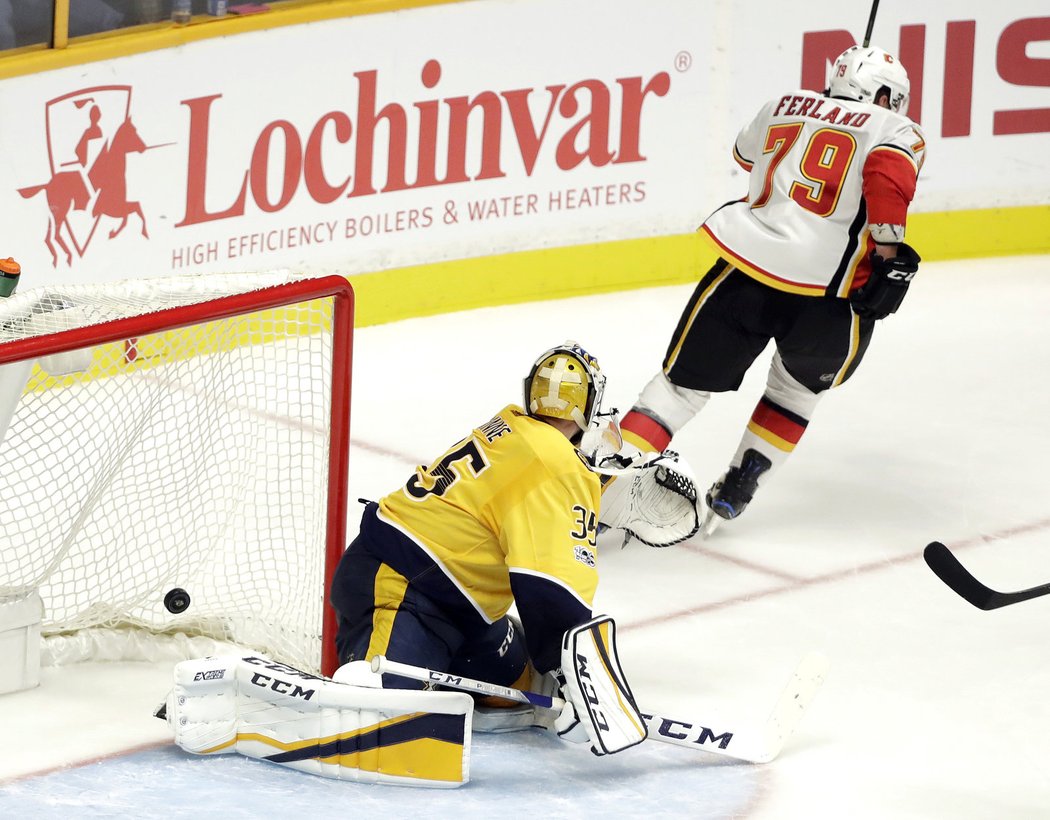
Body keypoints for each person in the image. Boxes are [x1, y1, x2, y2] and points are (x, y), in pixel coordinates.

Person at [618, 44, 927, 535]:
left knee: (680, 389)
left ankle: (605, 482)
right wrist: (888, 254)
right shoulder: (895, 129)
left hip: (748, 270)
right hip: (830, 295)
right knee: (795, 395)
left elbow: (744, 154)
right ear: (885, 95)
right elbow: (887, 181)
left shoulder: (782, 104)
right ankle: (741, 483)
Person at [329, 342, 610, 721]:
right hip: (402, 590)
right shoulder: (557, 462)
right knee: (376, 711)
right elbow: (550, 589)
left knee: (522, 688)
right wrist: (578, 684)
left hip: (458, 607)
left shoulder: (512, 427)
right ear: (590, 408)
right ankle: (366, 676)